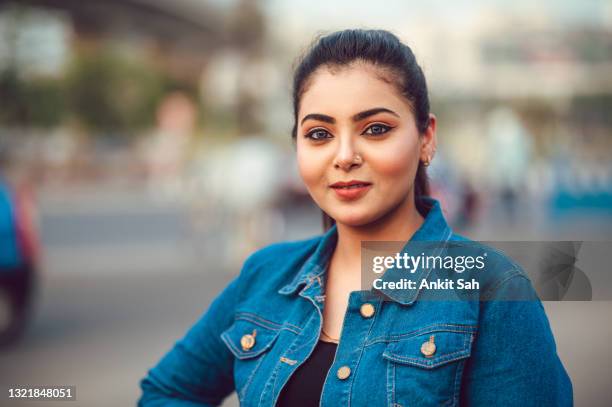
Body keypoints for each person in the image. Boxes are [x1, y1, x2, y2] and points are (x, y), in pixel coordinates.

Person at [138, 29, 572, 406]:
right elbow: (166, 391)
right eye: (319, 134)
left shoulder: (491, 291)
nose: (344, 157)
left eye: (376, 129)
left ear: (426, 138)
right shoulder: (264, 276)